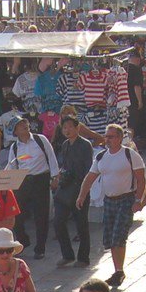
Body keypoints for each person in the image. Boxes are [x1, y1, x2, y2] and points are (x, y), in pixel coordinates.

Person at [75, 124, 146, 289]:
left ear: (120, 138)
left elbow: (141, 179)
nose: (107, 140)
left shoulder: (130, 155)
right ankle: (118, 270)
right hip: (109, 200)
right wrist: (82, 195)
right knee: (109, 238)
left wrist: (138, 200)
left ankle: (119, 271)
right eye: (106, 136)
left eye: (111, 137)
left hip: (126, 199)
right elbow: (90, 177)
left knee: (118, 236)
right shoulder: (101, 157)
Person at [3, 116, 59, 260]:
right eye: (20, 125)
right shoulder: (15, 147)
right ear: (15, 131)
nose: (25, 126)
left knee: (41, 215)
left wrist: (55, 177)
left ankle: (40, 247)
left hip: (41, 179)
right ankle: (23, 240)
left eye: (25, 123)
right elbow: (12, 166)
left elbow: (51, 158)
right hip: (22, 181)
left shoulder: (41, 140)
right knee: (16, 214)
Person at [53, 115, 95, 268]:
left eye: (70, 127)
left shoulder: (85, 145)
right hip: (65, 188)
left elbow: (88, 169)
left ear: (77, 128)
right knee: (58, 222)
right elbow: (64, 165)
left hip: (80, 188)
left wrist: (83, 190)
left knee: (81, 224)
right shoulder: (65, 145)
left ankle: (83, 257)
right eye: (64, 127)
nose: (67, 130)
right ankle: (67, 255)